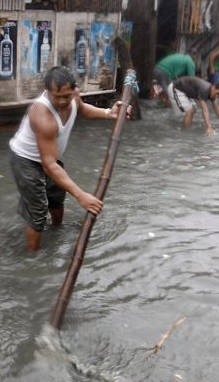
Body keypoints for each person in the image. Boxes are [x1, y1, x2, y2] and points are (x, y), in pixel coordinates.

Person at [9, 66, 129, 252]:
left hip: (51, 157)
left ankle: (56, 231)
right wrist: (81, 196)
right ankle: (32, 255)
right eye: (57, 97)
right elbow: (48, 165)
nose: (63, 101)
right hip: (26, 160)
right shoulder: (43, 116)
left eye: (67, 96)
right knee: (39, 210)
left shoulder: (74, 97)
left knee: (57, 197)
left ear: (74, 89)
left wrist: (108, 113)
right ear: (48, 92)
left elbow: (81, 109)